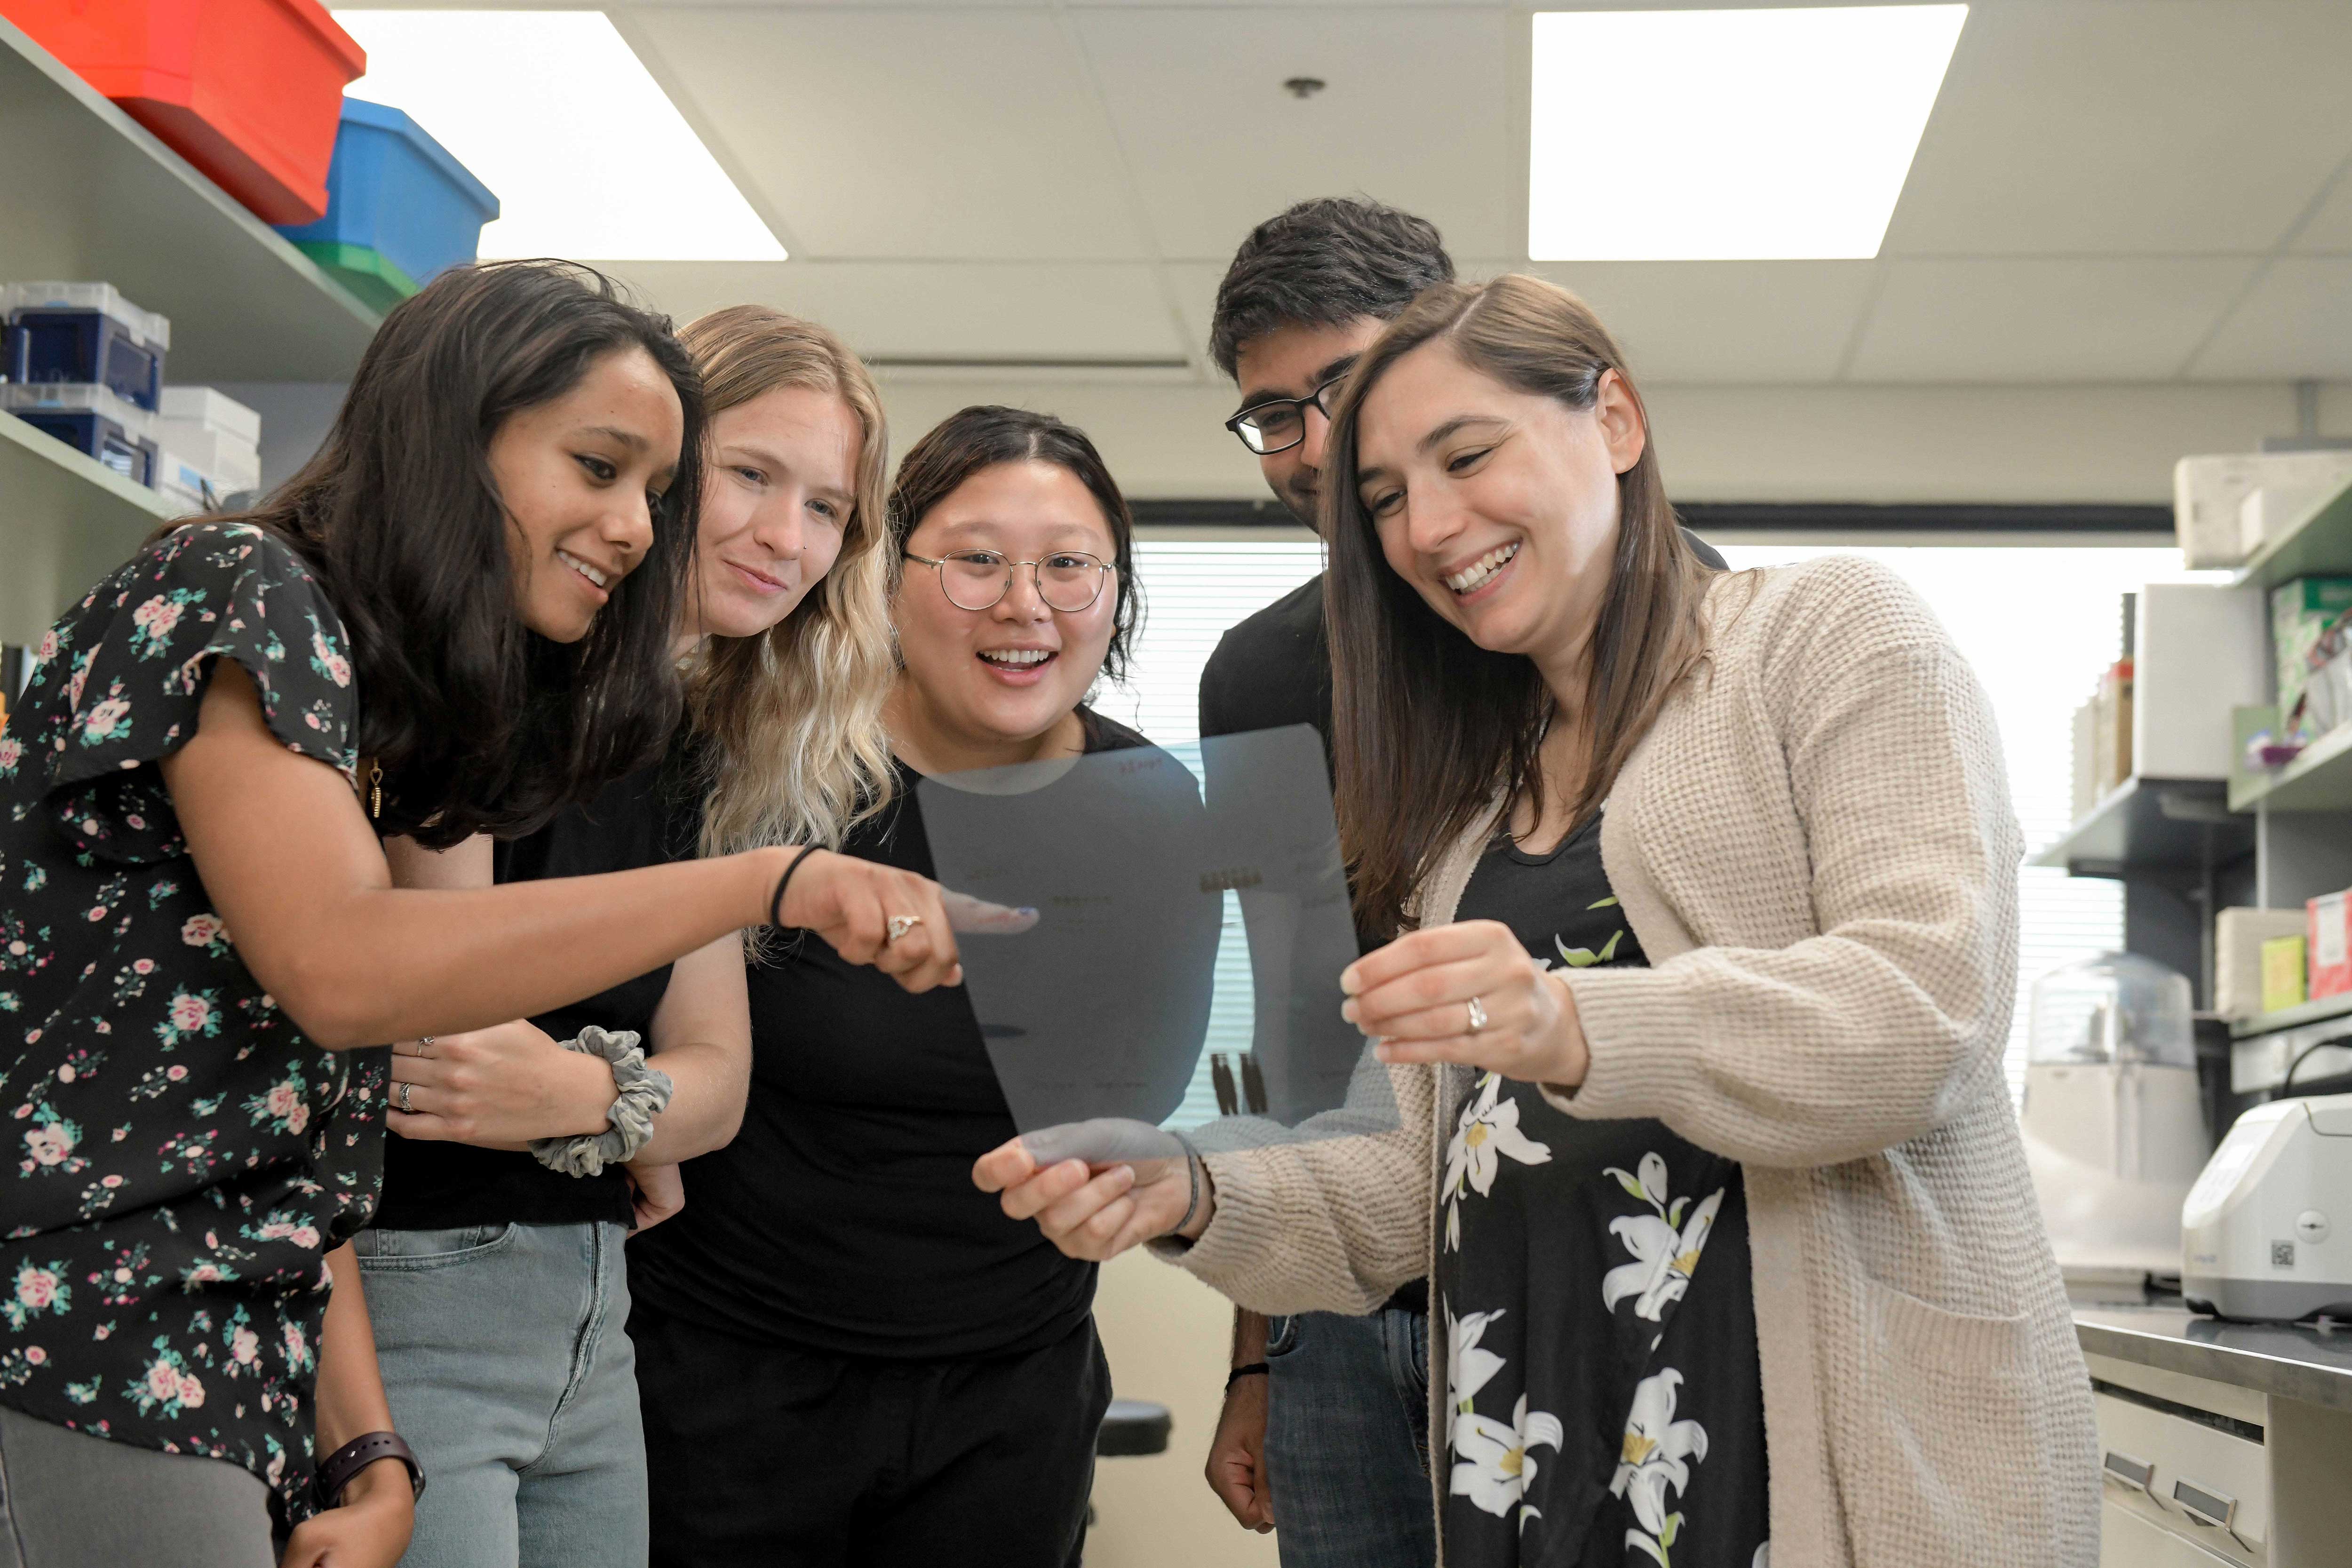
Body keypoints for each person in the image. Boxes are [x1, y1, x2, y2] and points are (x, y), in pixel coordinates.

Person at [980, 274, 2100, 1567]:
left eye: (1466, 455)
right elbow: (1404, 1175)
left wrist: (1572, 1018)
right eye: (1388, 498)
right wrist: (1188, 1188)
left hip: (1800, 1452)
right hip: (1537, 1451)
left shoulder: (1826, 634)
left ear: (1615, 419)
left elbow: (1925, 1010)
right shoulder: (1475, 805)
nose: (1429, 525)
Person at [0, 262, 971, 1568]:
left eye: (651, 490)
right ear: (455, 434)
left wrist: (366, 1444)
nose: (636, 526)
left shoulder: (384, 687)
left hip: (241, 1323)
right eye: (600, 466)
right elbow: (357, 976)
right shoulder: (239, 583)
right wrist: (761, 883)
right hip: (79, 1312)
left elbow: (304, 1119)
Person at [1196, 197, 1724, 1565]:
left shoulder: (1699, 629)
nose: (1313, 445)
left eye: (1345, 388)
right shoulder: (1254, 678)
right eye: (1273, 415)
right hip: (1340, 1299)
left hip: (1611, 1277)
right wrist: (1254, 1355)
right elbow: (1286, 1043)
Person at [357, 305, 900, 1568]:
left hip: (592, 1306)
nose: (786, 536)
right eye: (752, 476)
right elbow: (448, 1028)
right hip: (420, 1274)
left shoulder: (691, 743)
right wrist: (625, 1105)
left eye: (829, 508)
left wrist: (590, 1093)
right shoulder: (486, 671)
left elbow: (719, 1087)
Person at [628, 406, 1165, 1568]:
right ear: (887, 573)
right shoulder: (754, 761)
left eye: (1069, 565)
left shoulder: (1155, 804)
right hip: (726, 1382)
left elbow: (1172, 1103)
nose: (1024, 604)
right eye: (976, 560)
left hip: (1012, 1395)